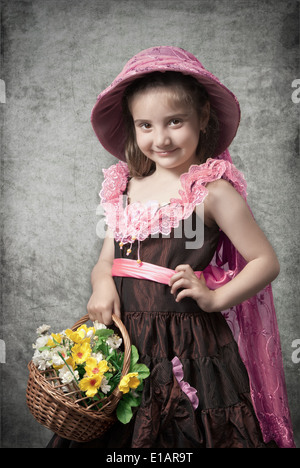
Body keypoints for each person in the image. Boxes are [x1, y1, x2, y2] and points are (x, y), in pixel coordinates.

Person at [48, 46, 295, 448]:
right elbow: (107, 261)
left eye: (175, 122)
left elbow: (265, 261)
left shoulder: (212, 192)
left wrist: (215, 299)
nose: (160, 138)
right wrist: (101, 284)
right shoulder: (126, 188)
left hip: (190, 345)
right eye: (145, 125)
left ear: (203, 118)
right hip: (125, 339)